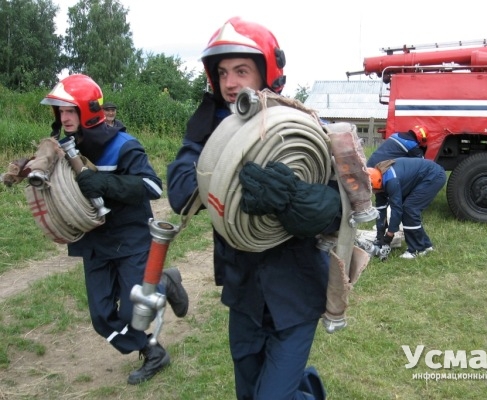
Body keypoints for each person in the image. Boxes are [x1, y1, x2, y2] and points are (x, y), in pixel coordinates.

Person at [167, 17, 332, 399]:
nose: (229, 83)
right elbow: (180, 194)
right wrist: (199, 142)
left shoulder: (304, 129)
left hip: (295, 294)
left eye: (241, 70)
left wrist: (291, 199)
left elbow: (337, 212)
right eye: (222, 72)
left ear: (267, 72)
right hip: (243, 294)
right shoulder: (211, 130)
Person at [40, 74, 189, 385]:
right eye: (60, 112)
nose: (64, 118)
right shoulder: (61, 147)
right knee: (102, 317)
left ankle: (163, 283)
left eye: (70, 111)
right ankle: (154, 351)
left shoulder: (123, 145)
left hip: (130, 238)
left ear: (87, 110)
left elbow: (151, 186)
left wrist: (104, 183)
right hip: (94, 242)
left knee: (133, 310)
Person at [368, 157, 447, 259]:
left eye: (373, 190)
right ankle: (426, 245)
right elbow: (380, 211)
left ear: (377, 183)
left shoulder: (391, 181)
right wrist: (380, 237)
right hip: (422, 177)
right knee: (408, 209)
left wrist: (389, 235)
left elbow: (397, 210)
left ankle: (417, 249)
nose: (373, 193)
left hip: (434, 175)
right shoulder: (379, 181)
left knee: (409, 209)